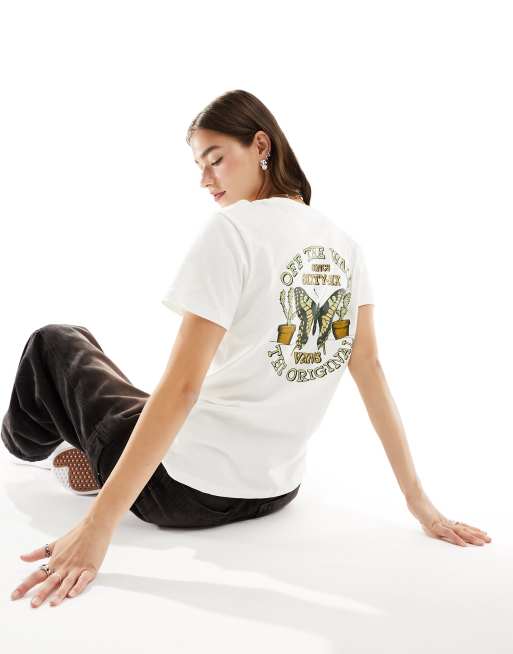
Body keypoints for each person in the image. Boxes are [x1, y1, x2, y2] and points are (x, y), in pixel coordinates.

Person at [3, 89, 491, 609]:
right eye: (199, 166)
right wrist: (419, 503)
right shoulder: (345, 245)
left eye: (215, 159)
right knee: (140, 400)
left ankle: (31, 447)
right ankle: (83, 451)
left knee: (58, 342)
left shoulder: (233, 232)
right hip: (275, 491)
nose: (205, 179)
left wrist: (97, 528)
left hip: (177, 491)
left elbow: (183, 389)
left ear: (261, 145)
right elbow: (368, 368)